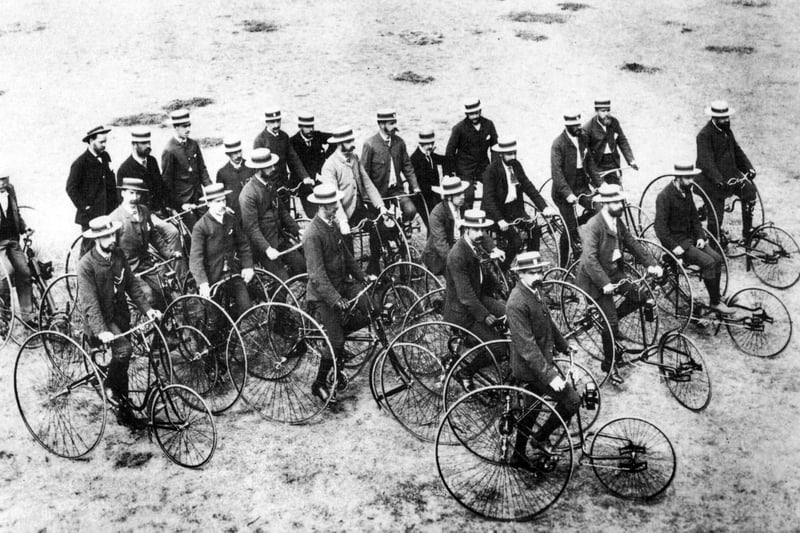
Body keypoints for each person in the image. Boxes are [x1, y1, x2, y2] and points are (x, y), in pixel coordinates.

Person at [76, 216, 161, 428]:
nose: (111, 238)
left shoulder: (118, 254)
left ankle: (125, 413)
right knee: (124, 350)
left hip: (121, 316)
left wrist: (148, 309)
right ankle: (109, 386)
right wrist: (101, 331)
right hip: (102, 320)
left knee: (122, 365)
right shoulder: (86, 265)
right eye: (106, 236)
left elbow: (132, 285)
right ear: (97, 239)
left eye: (112, 233)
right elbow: (90, 303)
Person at [575, 184, 662, 385]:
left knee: (641, 296)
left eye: (620, 201)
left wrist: (652, 265)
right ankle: (609, 362)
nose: (620, 205)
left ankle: (607, 319)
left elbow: (633, 244)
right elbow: (589, 259)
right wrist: (604, 283)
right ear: (605, 204)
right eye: (615, 202)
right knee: (611, 322)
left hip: (614, 272)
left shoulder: (617, 222)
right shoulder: (593, 226)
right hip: (595, 279)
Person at [505, 251, 580, 463]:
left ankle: (521, 453)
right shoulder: (516, 303)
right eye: (532, 272)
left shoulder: (535, 290)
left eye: (539, 271)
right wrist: (550, 377)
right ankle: (538, 439)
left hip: (541, 363)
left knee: (531, 409)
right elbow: (527, 347)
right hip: (531, 368)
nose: (538, 275)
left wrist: (564, 345)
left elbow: (548, 322)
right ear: (520, 275)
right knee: (572, 401)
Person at [303, 184, 374, 404]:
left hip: (343, 284)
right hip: (323, 296)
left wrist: (362, 276)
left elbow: (346, 255)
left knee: (373, 308)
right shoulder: (312, 234)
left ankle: (339, 332)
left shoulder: (332, 225)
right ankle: (320, 383)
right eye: (332, 204)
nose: (336, 207)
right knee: (336, 342)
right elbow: (317, 276)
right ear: (322, 206)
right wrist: (336, 299)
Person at [443, 208, 508, 388]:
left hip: (478, 298)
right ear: (466, 230)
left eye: (483, 230)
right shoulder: (457, 255)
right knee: (499, 348)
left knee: (510, 313)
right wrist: (486, 317)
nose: (481, 234)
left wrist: (498, 288)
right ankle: (466, 372)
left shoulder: (474, 243)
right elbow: (465, 296)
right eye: (476, 230)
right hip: (463, 311)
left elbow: (482, 271)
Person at [655, 163, 732, 313]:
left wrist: (700, 236)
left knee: (717, 258)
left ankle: (715, 295)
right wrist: (673, 246)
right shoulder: (664, 197)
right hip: (679, 243)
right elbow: (660, 228)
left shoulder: (687, 192)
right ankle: (715, 302)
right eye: (687, 178)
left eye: (692, 177)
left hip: (691, 238)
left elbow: (695, 219)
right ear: (677, 177)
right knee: (708, 262)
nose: (691, 181)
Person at [320, 126, 393, 275]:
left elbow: (367, 183)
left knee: (380, 228)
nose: (352, 143)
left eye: (352, 139)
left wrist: (381, 206)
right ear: (339, 144)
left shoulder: (354, 158)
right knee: (346, 245)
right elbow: (333, 198)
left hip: (358, 209)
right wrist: (342, 221)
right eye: (349, 141)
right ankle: (352, 278)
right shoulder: (330, 166)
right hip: (339, 213)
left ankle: (373, 267)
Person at [109, 178, 187, 310]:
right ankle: (154, 324)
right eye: (131, 193)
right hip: (129, 269)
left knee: (165, 290)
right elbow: (111, 250)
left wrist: (170, 253)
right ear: (123, 193)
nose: (135, 197)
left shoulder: (144, 211)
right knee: (149, 297)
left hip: (146, 264)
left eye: (138, 194)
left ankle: (167, 324)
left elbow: (154, 236)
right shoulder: (115, 218)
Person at [481, 136, 557, 268]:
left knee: (534, 229)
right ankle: (503, 269)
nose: (513, 156)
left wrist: (544, 207)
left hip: (514, 210)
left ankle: (530, 265)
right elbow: (488, 199)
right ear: (501, 154)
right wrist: (499, 220)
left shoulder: (516, 165)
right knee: (516, 241)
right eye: (509, 154)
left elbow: (528, 187)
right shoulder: (491, 170)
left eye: (514, 152)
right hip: (496, 214)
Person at [695, 100, 758, 242]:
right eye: (723, 118)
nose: (726, 120)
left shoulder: (727, 131)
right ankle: (714, 243)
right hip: (710, 181)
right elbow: (707, 162)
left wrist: (749, 168)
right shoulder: (704, 135)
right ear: (714, 118)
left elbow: (736, 151)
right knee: (716, 217)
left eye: (728, 117)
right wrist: (718, 180)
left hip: (731, 175)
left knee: (749, 192)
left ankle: (748, 231)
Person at [189, 184, 254, 320]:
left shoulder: (230, 219)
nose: (222, 205)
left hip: (232, 272)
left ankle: (231, 324)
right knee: (215, 319)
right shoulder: (201, 227)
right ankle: (218, 334)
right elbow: (195, 259)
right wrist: (203, 283)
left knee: (246, 308)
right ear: (208, 203)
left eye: (223, 200)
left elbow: (243, 244)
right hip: (212, 277)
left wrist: (247, 266)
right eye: (217, 201)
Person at [240, 147, 305, 282]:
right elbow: (251, 229)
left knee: (302, 267)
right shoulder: (248, 194)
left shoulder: (269, 185)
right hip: (263, 248)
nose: (273, 168)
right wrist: (267, 249)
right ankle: (274, 302)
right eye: (268, 166)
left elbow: (282, 212)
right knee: (282, 282)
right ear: (259, 169)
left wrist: (298, 230)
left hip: (280, 239)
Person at [551, 112, 599, 266]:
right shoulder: (558, 144)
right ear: (567, 126)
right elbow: (556, 173)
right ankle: (563, 265)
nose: (579, 128)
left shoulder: (583, 138)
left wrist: (601, 184)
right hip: (563, 190)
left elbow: (590, 163)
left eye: (579, 124)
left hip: (581, 186)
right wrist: (567, 194)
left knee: (598, 209)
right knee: (569, 230)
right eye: (575, 126)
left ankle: (579, 225)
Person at [361, 109, 421, 223]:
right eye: (391, 123)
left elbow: (407, 166)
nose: (395, 126)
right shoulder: (370, 145)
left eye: (395, 122)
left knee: (410, 210)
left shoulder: (399, 142)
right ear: (381, 124)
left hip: (396, 190)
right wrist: (366, 197)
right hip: (377, 193)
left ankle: (399, 229)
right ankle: (385, 236)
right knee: (379, 226)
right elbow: (363, 173)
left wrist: (415, 186)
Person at [66, 124, 118, 255]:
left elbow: (110, 182)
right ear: (91, 141)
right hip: (91, 216)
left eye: (105, 142)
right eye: (101, 142)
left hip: (108, 212)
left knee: (109, 246)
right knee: (89, 249)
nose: (104, 145)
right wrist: (86, 207)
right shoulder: (80, 163)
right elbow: (71, 188)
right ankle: (83, 274)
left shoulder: (105, 156)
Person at [161, 109, 212, 231]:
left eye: (189, 125)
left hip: (198, 198)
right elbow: (167, 183)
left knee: (209, 227)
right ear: (176, 127)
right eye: (184, 126)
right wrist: (178, 205)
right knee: (194, 233)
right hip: (183, 203)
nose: (188, 129)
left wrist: (212, 192)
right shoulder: (169, 150)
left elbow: (202, 170)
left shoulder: (193, 144)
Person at [445, 98, 498, 205]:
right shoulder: (459, 128)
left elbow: (495, 148)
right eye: (471, 114)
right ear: (466, 113)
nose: (474, 116)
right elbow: (450, 152)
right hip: (465, 169)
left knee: (495, 189)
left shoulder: (489, 125)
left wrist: (495, 168)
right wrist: (449, 174)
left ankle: (490, 216)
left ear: (480, 111)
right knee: (468, 195)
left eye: (476, 113)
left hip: (484, 167)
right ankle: (466, 219)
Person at [0, 173, 35, 324]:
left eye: (4, 179)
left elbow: (16, 213)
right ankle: (4, 318)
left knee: (25, 272)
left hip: (13, 241)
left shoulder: (10, 190)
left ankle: (28, 315)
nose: (2, 183)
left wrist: (24, 227)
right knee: (3, 279)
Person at [253, 106, 312, 190]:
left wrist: (305, 177)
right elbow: (257, 167)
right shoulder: (259, 140)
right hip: (268, 185)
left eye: (278, 121)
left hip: (284, 183)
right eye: (272, 122)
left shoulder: (284, 136)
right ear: (266, 122)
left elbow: (293, 158)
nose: (276, 125)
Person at [582, 98, 638, 185]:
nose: (607, 114)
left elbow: (622, 140)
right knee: (600, 192)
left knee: (616, 189)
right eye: (603, 111)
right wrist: (590, 172)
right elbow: (586, 153)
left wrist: (631, 160)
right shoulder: (587, 128)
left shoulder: (614, 122)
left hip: (612, 162)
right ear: (596, 111)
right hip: (597, 164)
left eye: (608, 110)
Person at [290, 112, 334, 218]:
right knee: (313, 212)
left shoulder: (317, 136)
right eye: (307, 126)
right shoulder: (293, 141)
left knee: (330, 204)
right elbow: (293, 165)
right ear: (300, 126)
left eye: (312, 126)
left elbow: (335, 139)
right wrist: (308, 177)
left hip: (319, 178)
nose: (311, 129)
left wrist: (326, 158)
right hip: (302, 182)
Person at [116, 127, 167, 215]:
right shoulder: (124, 169)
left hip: (160, 210)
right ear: (134, 145)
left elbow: (160, 187)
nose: (148, 146)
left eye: (149, 142)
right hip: (141, 215)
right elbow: (123, 200)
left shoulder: (152, 161)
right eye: (144, 143)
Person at [409, 128, 447, 228]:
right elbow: (418, 183)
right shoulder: (415, 159)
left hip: (433, 196)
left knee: (441, 220)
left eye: (432, 143)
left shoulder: (429, 155)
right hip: (421, 198)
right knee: (433, 224)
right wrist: (434, 188)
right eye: (427, 144)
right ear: (421, 143)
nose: (430, 146)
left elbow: (445, 160)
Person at [216, 136, 256, 221]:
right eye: (234, 153)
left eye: (239, 151)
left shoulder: (251, 167)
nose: (238, 155)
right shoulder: (222, 173)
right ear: (228, 154)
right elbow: (219, 197)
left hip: (252, 212)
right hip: (235, 216)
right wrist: (225, 208)